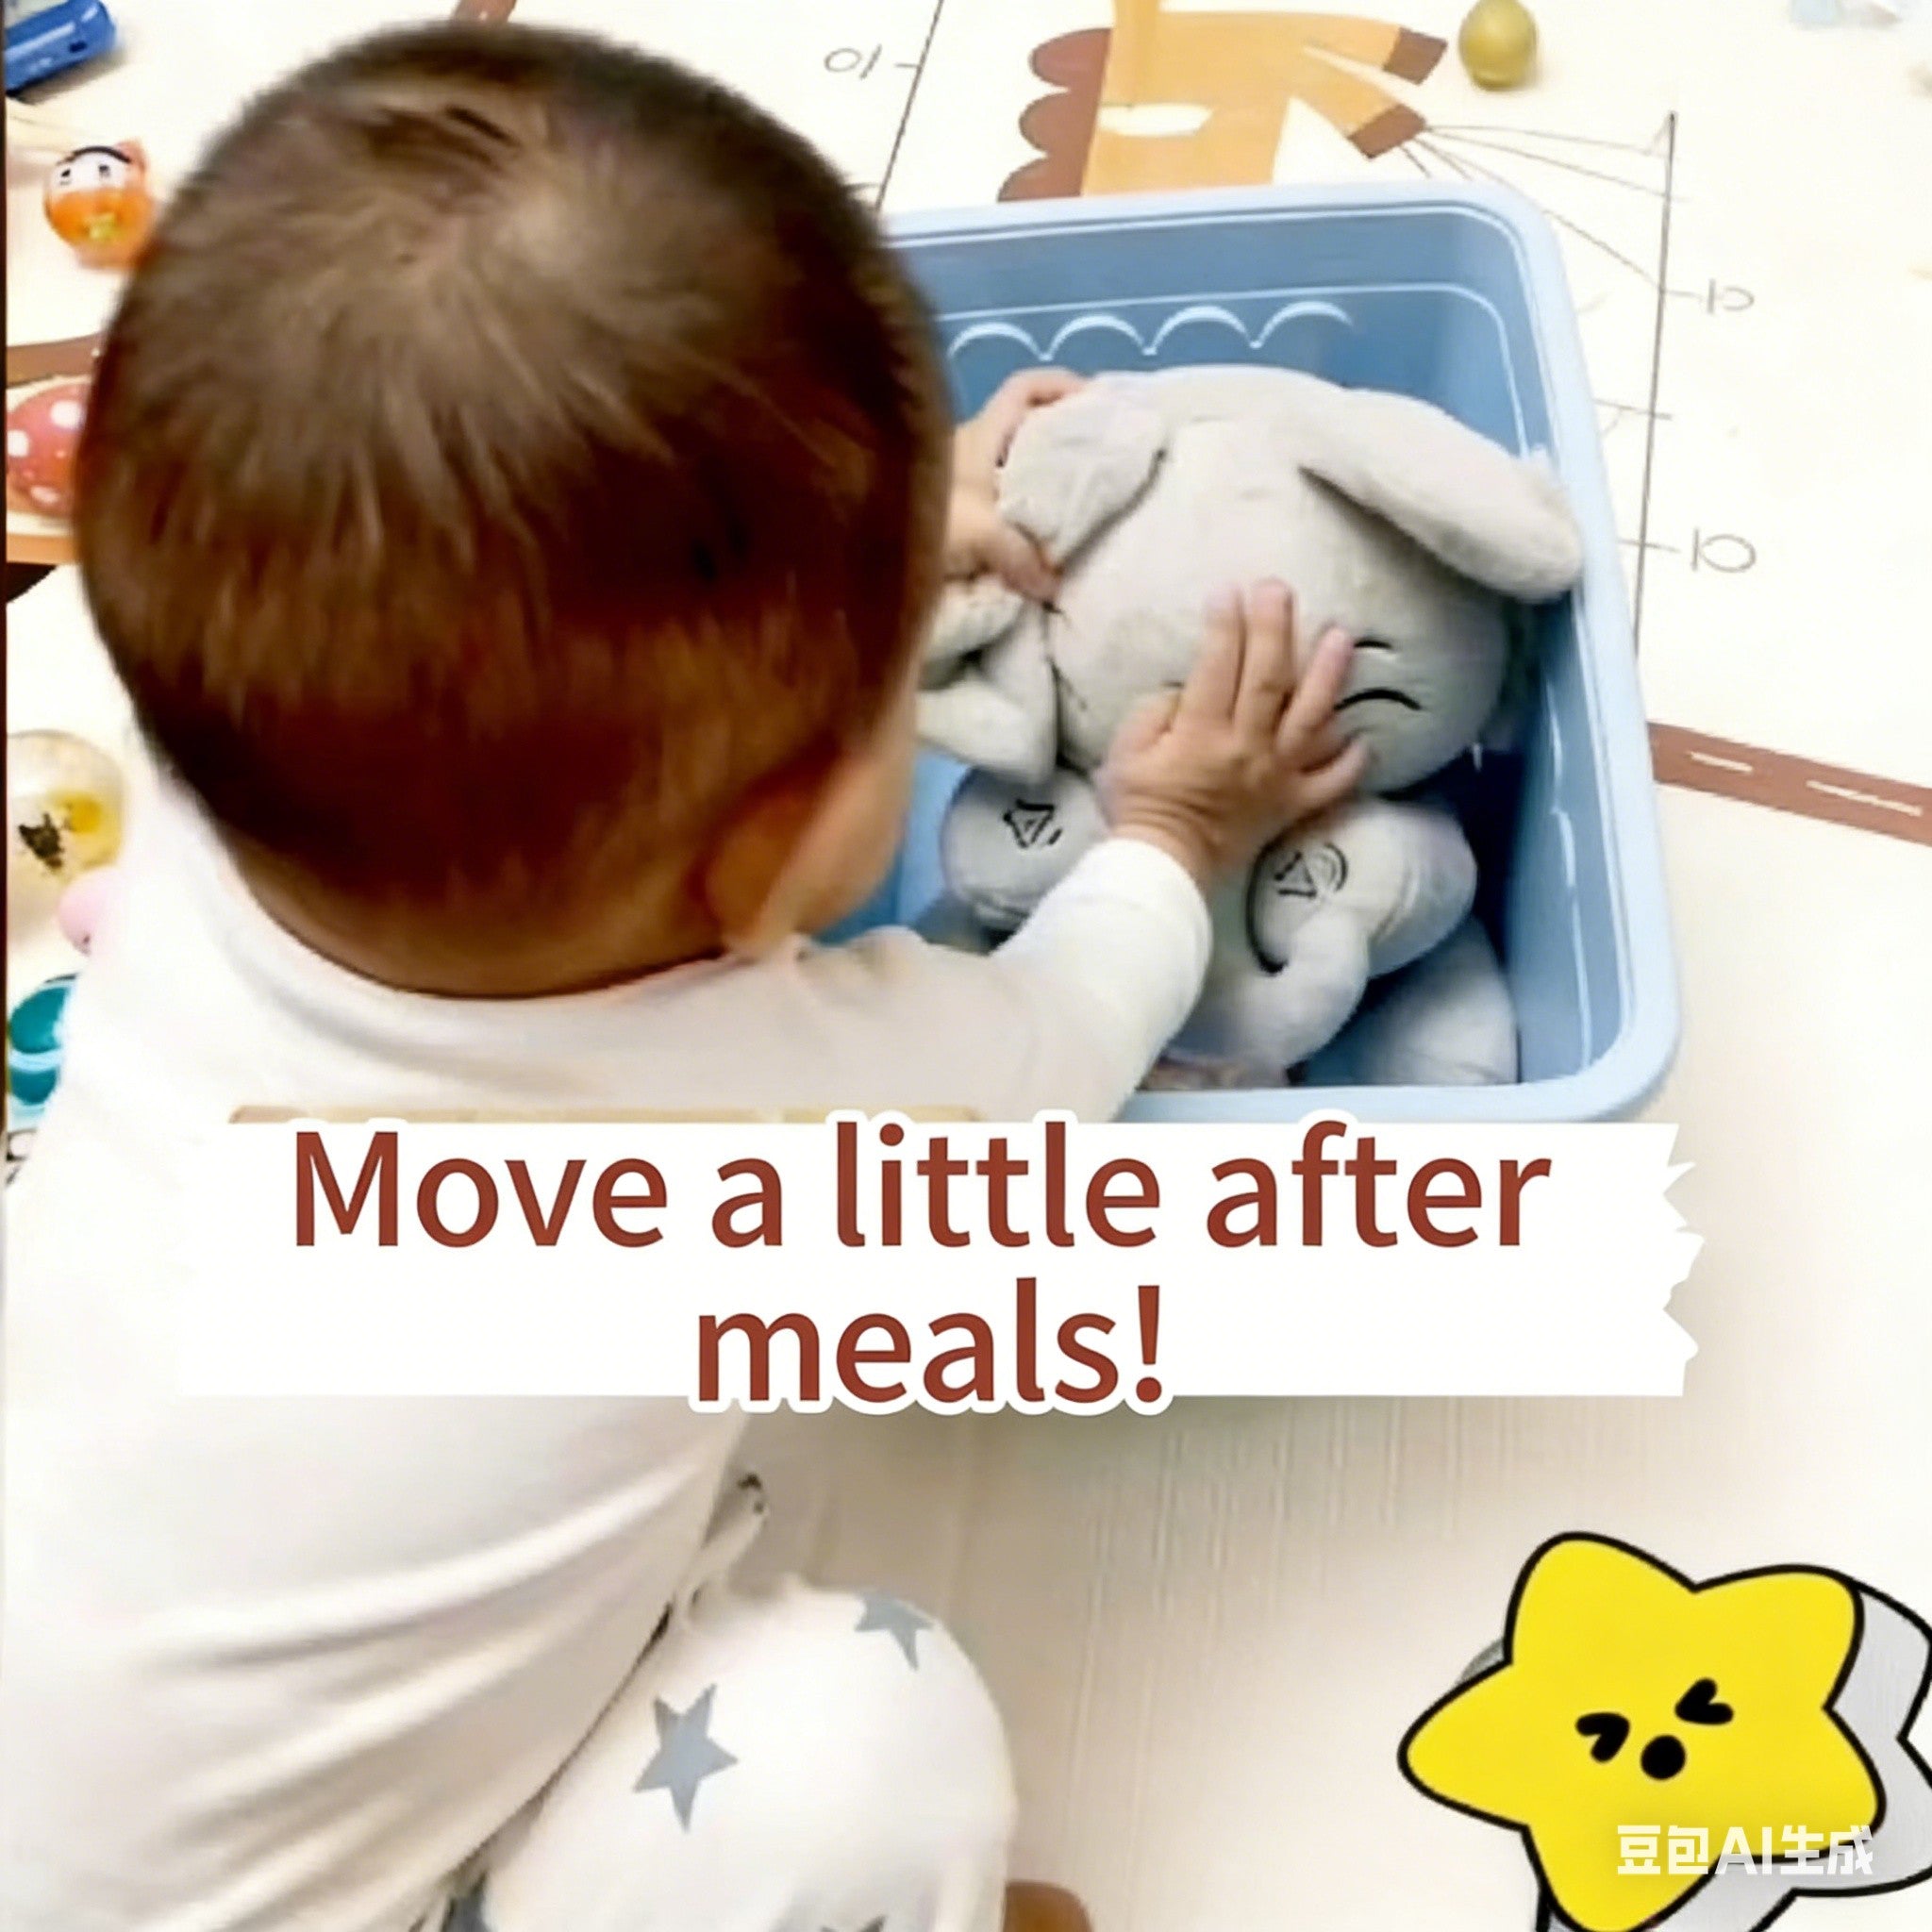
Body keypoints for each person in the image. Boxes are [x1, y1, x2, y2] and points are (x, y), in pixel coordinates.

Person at [0, 23, 1363, 1932]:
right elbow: (1063, 1037)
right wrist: (1173, 839)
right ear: (764, 864)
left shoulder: (236, 797)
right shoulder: (762, 1118)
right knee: (855, 1742)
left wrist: (868, 547)